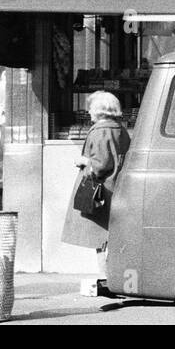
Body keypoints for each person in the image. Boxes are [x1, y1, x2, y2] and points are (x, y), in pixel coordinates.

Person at [62, 91, 131, 295]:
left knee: (101, 239)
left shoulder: (100, 130)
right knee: (112, 237)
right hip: (116, 187)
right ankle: (113, 278)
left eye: (91, 107)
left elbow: (100, 165)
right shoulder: (120, 129)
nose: (89, 111)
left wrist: (82, 161)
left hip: (101, 190)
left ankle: (107, 279)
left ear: (100, 110)